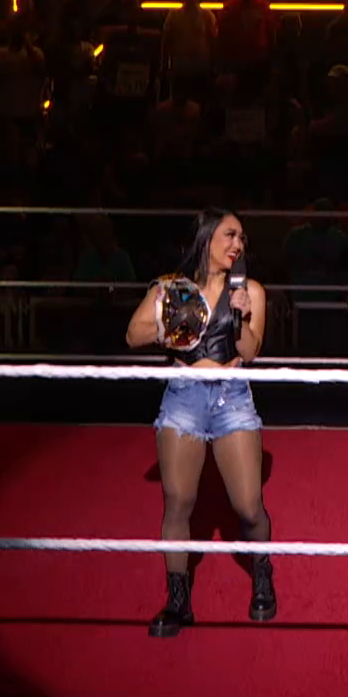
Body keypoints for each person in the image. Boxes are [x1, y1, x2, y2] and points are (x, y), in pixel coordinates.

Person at [124, 208, 273, 638]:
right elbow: (133, 334)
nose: (238, 244)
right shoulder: (172, 287)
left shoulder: (250, 290)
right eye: (230, 235)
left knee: (248, 506)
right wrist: (171, 323)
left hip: (231, 396)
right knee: (178, 501)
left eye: (242, 238)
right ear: (206, 238)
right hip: (183, 397)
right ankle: (178, 601)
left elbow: (250, 351)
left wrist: (241, 315)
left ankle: (263, 571)